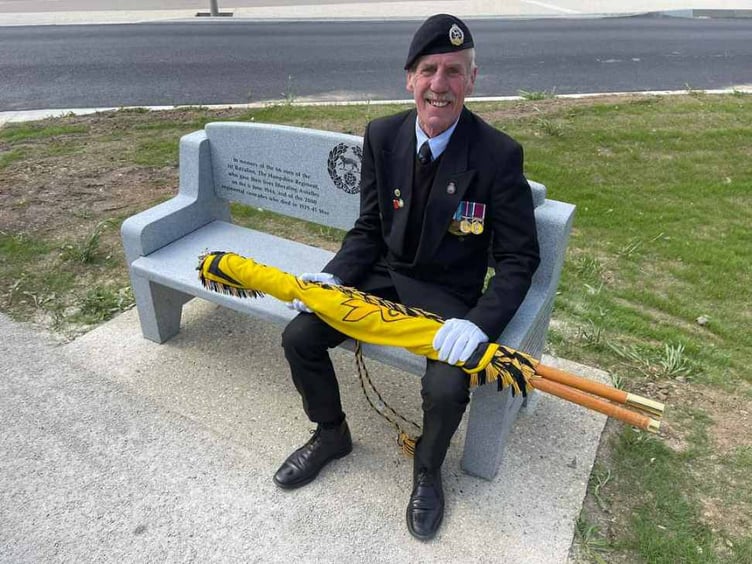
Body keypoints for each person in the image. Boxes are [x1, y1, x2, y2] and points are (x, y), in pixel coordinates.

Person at [274, 14, 540, 540]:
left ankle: (427, 473)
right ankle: (330, 434)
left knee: (445, 386)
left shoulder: (496, 155)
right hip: (382, 275)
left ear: (472, 79)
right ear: (409, 78)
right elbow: (370, 227)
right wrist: (334, 278)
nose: (439, 86)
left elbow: (518, 261)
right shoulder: (383, 135)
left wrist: (481, 324)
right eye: (429, 70)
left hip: (448, 297)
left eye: (454, 72)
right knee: (300, 336)